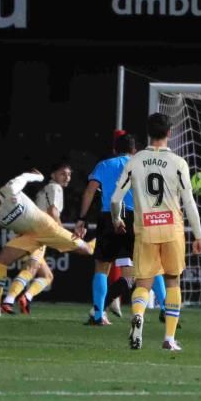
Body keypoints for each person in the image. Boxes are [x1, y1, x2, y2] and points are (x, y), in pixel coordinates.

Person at [110, 113, 201, 351]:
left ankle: (139, 315)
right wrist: (199, 234)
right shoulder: (178, 162)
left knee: (143, 282)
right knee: (173, 282)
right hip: (172, 229)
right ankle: (169, 339)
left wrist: (117, 219)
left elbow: (115, 199)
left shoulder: (135, 160)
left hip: (146, 229)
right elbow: (189, 202)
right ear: (169, 133)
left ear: (149, 133)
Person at [0, 170, 93, 317]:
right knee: (0, 261)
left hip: (46, 227)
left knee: (87, 250)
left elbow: (25, 177)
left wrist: (40, 176)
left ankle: (97, 243)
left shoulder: (10, 189)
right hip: (28, 236)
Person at [75, 133, 168, 326]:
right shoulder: (143, 164)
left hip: (109, 216)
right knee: (151, 264)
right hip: (136, 217)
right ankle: (167, 309)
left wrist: (82, 218)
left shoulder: (105, 165)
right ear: (134, 150)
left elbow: (90, 191)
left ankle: (99, 314)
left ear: (115, 149)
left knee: (102, 267)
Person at [2, 162, 72, 314]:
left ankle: (26, 298)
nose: (67, 177)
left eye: (69, 174)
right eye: (63, 173)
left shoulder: (45, 189)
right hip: (38, 233)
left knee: (47, 276)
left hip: (31, 230)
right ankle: (8, 301)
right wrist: (64, 235)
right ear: (53, 175)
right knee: (31, 268)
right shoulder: (55, 188)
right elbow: (53, 212)